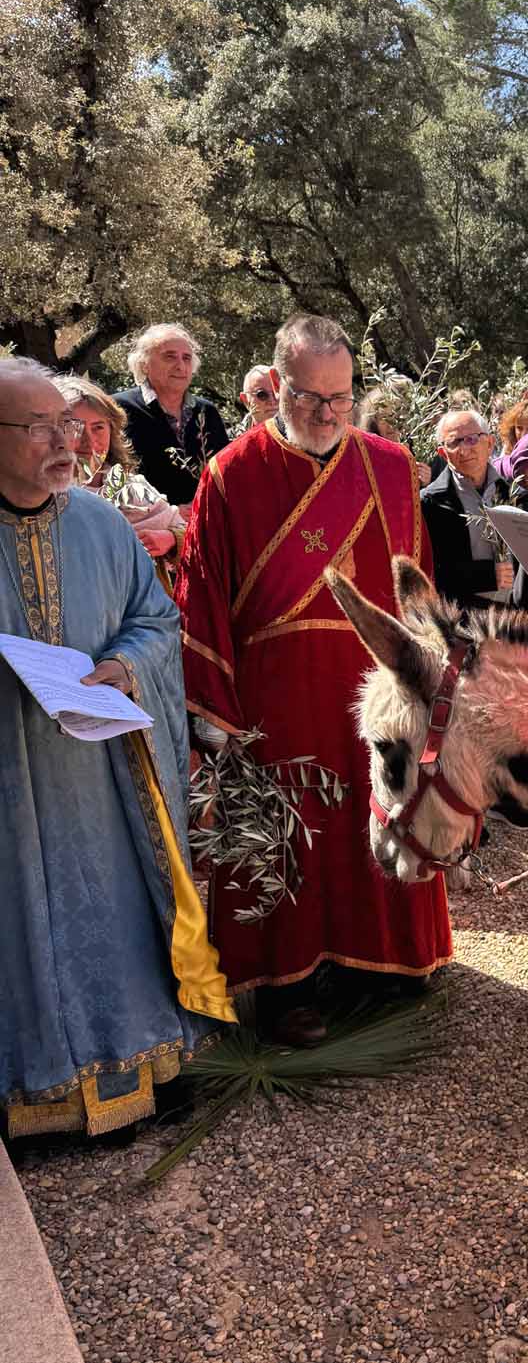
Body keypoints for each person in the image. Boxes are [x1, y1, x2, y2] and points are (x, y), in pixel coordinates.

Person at [175, 315, 451, 1047]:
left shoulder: (391, 466)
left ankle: (386, 961)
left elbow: (414, 584)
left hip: (373, 688)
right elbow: (201, 600)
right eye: (308, 397)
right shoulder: (230, 474)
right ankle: (285, 983)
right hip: (274, 700)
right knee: (285, 833)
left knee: (380, 810)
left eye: (341, 396)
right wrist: (217, 714)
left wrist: (428, 680)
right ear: (273, 385)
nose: (328, 413)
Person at [0, 357, 233, 1139]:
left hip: (99, 780)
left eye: (66, 423)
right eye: (39, 427)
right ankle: (31, 1094)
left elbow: (156, 619)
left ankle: (135, 1067)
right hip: (12, 782)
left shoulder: (101, 524)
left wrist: (125, 666)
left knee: (114, 914)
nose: (63, 441)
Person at [57, 375, 187, 592]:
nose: (90, 441)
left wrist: (170, 539)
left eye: (98, 427)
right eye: (74, 428)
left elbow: (194, 539)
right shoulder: (42, 497)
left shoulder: (134, 488)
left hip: (148, 618)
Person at [421, 410, 528, 612]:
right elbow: (430, 572)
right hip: (462, 618)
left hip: (516, 616)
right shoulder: (431, 503)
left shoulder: (517, 496)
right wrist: (487, 575)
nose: (464, 450)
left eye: (471, 440)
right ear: (443, 453)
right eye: (454, 443)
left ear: (489, 444)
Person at [113, 323, 229, 511]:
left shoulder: (207, 412)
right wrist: (170, 512)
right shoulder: (118, 409)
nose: (180, 366)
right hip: (145, 527)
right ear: (144, 365)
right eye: (170, 357)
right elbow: (111, 478)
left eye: (186, 358)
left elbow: (225, 473)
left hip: (204, 524)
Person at [358, 388, 431, 486]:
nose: (391, 424)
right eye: (384, 418)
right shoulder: (364, 455)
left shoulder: (425, 452)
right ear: (373, 422)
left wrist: (427, 484)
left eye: (396, 416)